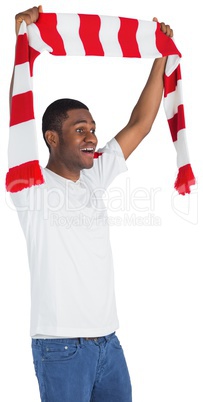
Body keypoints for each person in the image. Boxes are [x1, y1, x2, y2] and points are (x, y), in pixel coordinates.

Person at [9, 5, 173, 402]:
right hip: (62, 351)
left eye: (93, 129)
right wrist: (21, 42)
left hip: (109, 347)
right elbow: (17, 111)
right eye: (79, 129)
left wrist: (160, 57)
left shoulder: (95, 176)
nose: (91, 136)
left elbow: (140, 124)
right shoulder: (28, 186)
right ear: (52, 138)